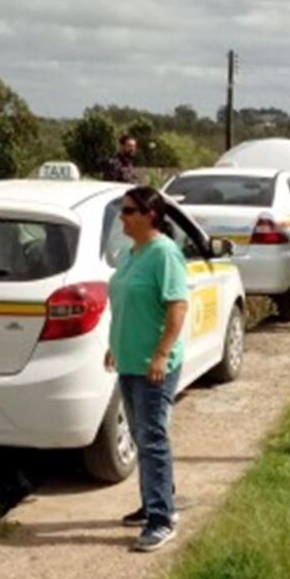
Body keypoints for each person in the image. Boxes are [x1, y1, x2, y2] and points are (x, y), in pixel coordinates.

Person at [104, 186, 188, 552]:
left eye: (128, 211)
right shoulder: (131, 253)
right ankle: (158, 497)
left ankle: (161, 518)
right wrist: (114, 346)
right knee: (142, 436)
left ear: (149, 215)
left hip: (154, 363)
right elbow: (125, 302)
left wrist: (160, 355)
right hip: (129, 358)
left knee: (152, 437)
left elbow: (177, 309)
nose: (121, 217)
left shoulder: (164, 254)